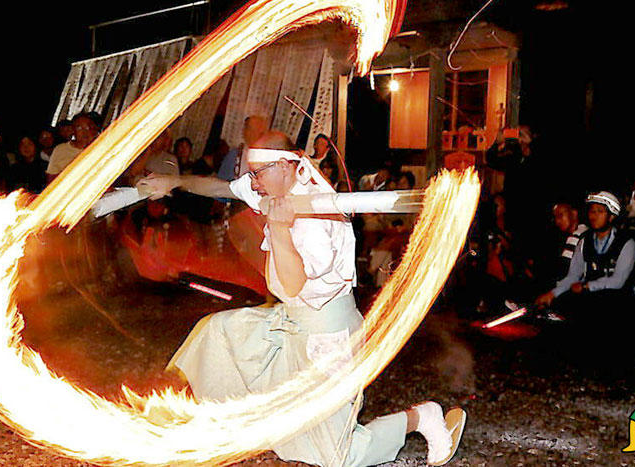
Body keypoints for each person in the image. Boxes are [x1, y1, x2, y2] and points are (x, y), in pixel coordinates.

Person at [137, 131, 465, 467]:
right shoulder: (275, 182)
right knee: (217, 335)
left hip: (328, 333)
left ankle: (422, 417)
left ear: (284, 165)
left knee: (337, 457)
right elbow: (222, 188)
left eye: (257, 173)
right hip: (290, 319)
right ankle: (208, 418)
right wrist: (174, 181)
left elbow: (293, 285)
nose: (252, 182)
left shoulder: (317, 216)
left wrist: (280, 229)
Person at [535, 191, 635, 311]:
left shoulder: (627, 243)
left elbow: (618, 281)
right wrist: (552, 294)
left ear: (611, 216)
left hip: (622, 301)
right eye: (592, 211)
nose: (594, 216)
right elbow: (573, 275)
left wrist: (586, 286)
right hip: (594, 297)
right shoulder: (585, 241)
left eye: (600, 211)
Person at [46, 112, 100, 182]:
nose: (84, 132)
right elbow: (51, 178)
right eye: (79, 128)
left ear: (95, 130)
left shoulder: (100, 148)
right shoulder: (61, 149)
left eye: (88, 127)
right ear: (73, 130)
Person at [217, 115, 269, 181]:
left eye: (261, 131)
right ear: (245, 132)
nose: (258, 134)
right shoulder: (235, 155)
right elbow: (221, 182)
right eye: (250, 129)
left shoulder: (267, 157)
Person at [551, 203, 588, 279]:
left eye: (560, 215)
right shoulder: (581, 233)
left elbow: (563, 270)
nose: (557, 221)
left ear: (574, 214)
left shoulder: (578, 235)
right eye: (555, 217)